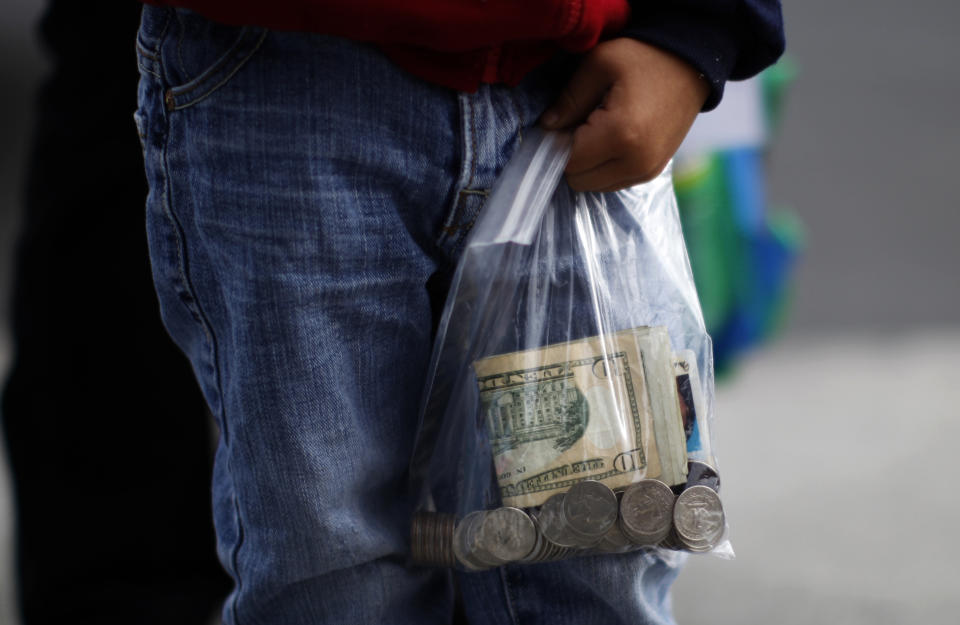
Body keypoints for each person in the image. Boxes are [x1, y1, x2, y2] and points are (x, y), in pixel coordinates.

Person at [133, 2, 784, 623]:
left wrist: (698, 29)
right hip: (288, 75)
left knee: (601, 546)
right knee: (333, 564)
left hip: (574, 84)